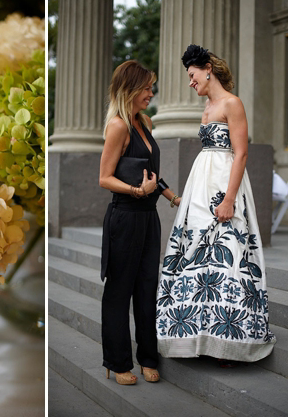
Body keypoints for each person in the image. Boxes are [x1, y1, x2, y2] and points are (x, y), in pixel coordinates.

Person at [155, 45, 276, 365]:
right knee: (195, 254)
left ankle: (231, 339)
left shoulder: (232, 104)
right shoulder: (206, 108)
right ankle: (198, 335)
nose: (190, 83)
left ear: (207, 68)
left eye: (192, 76)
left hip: (224, 185)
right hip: (200, 184)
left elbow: (241, 154)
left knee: (229, 254)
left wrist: (229, 199)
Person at [99, 60, 180, 385]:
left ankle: (148, 356)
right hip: (124, 218)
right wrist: (136, 190)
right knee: (120, 292)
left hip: (149, 218)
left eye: (151, 87)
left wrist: (175, 198)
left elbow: (153, 176)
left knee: (148, 290)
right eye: (147, 87)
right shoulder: (118, 126)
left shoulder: (145, 121)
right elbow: (104, 178)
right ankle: (117, 362)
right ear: (130, 90)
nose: (151, 93)